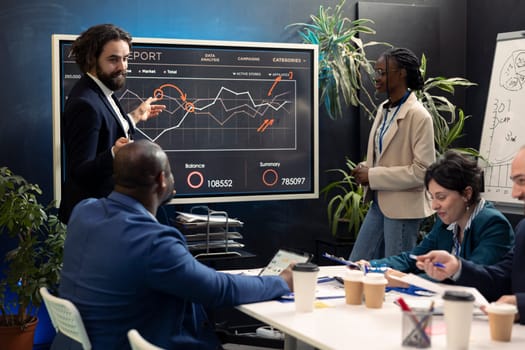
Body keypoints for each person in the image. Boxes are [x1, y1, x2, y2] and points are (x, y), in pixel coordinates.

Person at [53, 140, 293, 349]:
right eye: (170, 171)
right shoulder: (153, 242)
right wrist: (280, 282)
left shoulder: (84, 212)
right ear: (161, 180)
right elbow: (218, 290)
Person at [58, 24, 166, 224]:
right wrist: (114, 154)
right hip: (96, 220)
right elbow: (80, 171)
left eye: (125, 59)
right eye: (113, 59)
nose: (123, 67)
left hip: (106, 216)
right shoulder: (85, 103)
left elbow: (106, 128)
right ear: (92, 59)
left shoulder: (101, 91)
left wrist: (134, 116)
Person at [361, 150, 514, 285]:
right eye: (432, 197)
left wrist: (408, 281)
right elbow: (414, 258)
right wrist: (370, 266)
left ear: (467, 194)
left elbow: (474, 278)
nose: (434, 206)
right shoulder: (446, 221)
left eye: (441, 197)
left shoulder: (492, 224)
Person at [416, 145, 525, 325]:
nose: (515, 193)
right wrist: (456, 267)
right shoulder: (523, 229)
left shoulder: (491, 223)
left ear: (466, 194)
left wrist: (520, 304)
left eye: (522, 181)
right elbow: (500, 278)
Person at [349, 47, 436, 261]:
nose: (376, 78)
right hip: (380, 203)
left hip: (403, 209)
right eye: (376, 72)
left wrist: (373, 175)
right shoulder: (384, 108)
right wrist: (365, 167)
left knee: (394, 272)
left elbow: (423, 172)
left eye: (383, 72)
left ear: (402, 74)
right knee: (356, 265)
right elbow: (386, 156)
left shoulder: (419, 116)